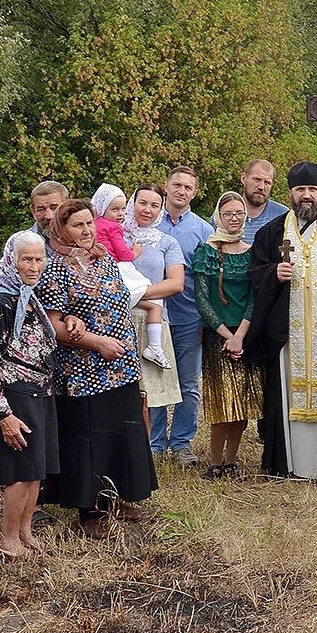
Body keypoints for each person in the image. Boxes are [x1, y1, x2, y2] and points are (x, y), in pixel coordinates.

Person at [37, 199, 157, 537]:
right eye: (78, 225)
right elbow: (54, 326)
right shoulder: (54, 267)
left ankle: (115, 497)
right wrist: (96, 342)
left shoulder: (103, 259)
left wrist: (119, 348)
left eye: (89, 223)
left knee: (121, 430)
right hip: (83, 367)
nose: (86, 231)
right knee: (89, 436)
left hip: (121, 365)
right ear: (61, 229)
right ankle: (90, 510)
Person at [246, 162, 317, 479]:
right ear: (290, 192)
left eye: (312, 189)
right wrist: (272, 274)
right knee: (286, 395)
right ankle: (291, 464)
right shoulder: (272, 232)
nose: (306, 196)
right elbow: (255, 274)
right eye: (300, 190)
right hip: (288, 338)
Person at [0, 231, 60, 559]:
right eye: (27, 259)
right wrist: (3, 413)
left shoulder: (27, 295)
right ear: (12, 260)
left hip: (40, 390)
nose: (35, 266)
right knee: (21, 472)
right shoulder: (0, 299)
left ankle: (25, 532)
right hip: (14, 394)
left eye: (39, 259)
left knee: (36, 470)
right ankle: (8, 539)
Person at [194, 192, 264, 479]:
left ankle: (232, 460)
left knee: (242, 401)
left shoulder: (251, 251)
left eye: (239, 213)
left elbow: (252, 297)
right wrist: (226, 335)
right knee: (221, 401)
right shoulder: (206, 250)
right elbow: (202, 299)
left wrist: (241, 335)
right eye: (228, 214)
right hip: (218, 335)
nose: (234, 219)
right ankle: (214, 461)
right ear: (218, 216)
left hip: (244, 334)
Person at [154, 165, 213, 465]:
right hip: (155, 316)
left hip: (190, 316)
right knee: (155, 380)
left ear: (195, 192)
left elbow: (212, 279)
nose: (182, 191)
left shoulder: (204, 230)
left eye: (188, 187)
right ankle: (154, 443)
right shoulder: (148, 223)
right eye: (177, 185)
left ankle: (181, 443)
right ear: (166, 186)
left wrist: (208, 320)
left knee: (189, 384)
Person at [123, 185, 186, 430]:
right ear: (133, 203)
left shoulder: (166, 242)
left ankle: (145, 457)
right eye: (142, 203)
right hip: (119, 319)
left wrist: (133, 294)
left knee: (147, 396)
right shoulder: (116, 236)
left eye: (154, 205)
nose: (147, 210)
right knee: (121, 394)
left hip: (152, 322)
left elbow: (176, 283)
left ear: (161, 209)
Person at [90, 184, 170, 368]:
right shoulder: (116, 228)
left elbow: (177, 283)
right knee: (156, 304)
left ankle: (154, 347)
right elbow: (124, 255)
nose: (120, 213)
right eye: (115, 209)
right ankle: (155, 347)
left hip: (105, 274)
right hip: (118, 271)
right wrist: (135, 252)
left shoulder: (95, 224)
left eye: (155, 205)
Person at [240, 158, 288, 243]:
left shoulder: (283, 216)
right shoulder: (225, 212)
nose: (261, 187)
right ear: (243, 178)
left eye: (267, 183)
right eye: (257, 180)